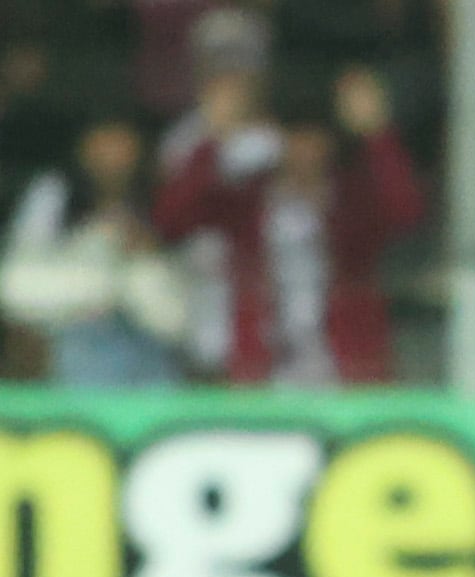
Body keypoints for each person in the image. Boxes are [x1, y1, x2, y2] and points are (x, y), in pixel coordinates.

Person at [152, 65, 426, 385]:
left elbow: (407, 212)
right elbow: (172, 218)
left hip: (348, 368)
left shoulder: (352, 201)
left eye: (316, 140)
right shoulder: (249, 200)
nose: (306, 152)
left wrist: (378, 134)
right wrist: (213, 135)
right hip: (261, 369)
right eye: (295, 138)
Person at [1, 117, 190, 386]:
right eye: (104, 143)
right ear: (85, 147)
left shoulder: (162, 202)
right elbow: (15, 290)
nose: (114, 157)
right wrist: (100, 264)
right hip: (75, 371)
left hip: (152, 377)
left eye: (123, 144)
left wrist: (140, 259)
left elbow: (175, 321)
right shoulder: (57, 193)